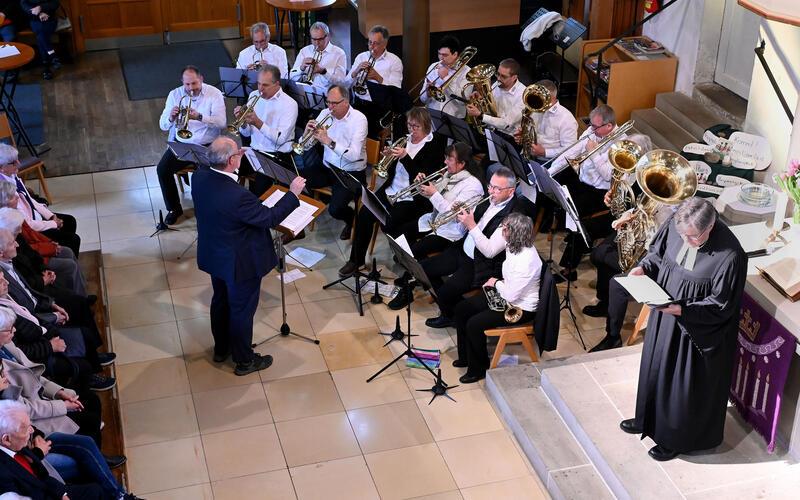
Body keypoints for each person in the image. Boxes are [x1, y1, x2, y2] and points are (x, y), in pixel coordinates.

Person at [618, 197, 747, 461]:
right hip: (665, 314)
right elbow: (658, 254)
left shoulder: (730, 255)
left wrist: (681, 310)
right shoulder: (677, 226)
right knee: (655, 366)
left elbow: (721, 305)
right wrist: (643, 268)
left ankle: (675, 437)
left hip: (697, 331)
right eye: (683, 235)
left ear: (710, 227)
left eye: (693, 237)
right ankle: (647, 419)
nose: (687, 241)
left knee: (680, 383)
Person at [192, 136, 306, 376]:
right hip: (240, 262)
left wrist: (233, 151)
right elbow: (269, 218)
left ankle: (222, 348)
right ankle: (244, 360)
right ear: (232, 161)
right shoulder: (237, 195)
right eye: (238, 153)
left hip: (215, 255)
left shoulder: (200, 177)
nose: (242, 154)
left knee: (220, 301)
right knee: (241, 310)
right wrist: (293, 195)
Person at [338, 107, 446, 277]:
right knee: (365, 213)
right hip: (391, 189)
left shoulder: (434, 145)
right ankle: (355, 261)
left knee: (388, 222)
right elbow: (391, 170)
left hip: (412, 198)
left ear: (426, 126)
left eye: (415, 127)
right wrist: (389, 156)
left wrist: (405, 157)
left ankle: (406, 256)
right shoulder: (405, 139)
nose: (411, 130)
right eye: (409, 125)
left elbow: (422, 178)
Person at [453, 213, 541, 383]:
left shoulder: (526, 261)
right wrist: (498, 283)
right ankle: (465, 357)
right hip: (507, 293)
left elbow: (510, 295)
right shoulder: (513, 245)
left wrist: (495, 283)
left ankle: (478, 369)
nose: (502, 230)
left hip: (521, 307)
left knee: (474, 324)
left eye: (505, 228)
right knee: (462, 309)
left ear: (514, 233)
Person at [0, 307, 104, 449]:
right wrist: (63, 406)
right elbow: (24, 408)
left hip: (41, 397)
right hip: (34, 419)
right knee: (89, 420)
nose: (14, 331)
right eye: (8, 329)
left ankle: (97, 452)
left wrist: (58, 392)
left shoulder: (7, 345)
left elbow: (32, 373)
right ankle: (95, 454)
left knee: (91, 400)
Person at [549, 104, 623, 279]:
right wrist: (550, 171)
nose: (591, 129)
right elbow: (571, 152)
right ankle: (566, 227)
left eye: (595, 126)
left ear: (609, 126)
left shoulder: (620, 144)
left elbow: (607, 175)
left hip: (601, 192)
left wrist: (593, 152)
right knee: (556, 189)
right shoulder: (593, 130)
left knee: (576, 216)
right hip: (583, 181)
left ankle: (569, 269)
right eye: (591, 124)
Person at [157, 65, 226, 225]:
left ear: (201, 79)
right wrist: (171, 118)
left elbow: (222, 123)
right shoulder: (175, 94)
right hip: (182, 144)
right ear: (182, 82)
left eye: (194, 84)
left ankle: (210, 208)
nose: (191, 88)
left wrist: (200, 117)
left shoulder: (214, 94)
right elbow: (162, 125)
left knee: (206, 177)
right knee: (162, 170)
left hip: (207, 146)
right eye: (187, 84)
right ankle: (174, 208)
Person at [299, 84, 368, 240]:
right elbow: (306, 146)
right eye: (328, 102)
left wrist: (328, 141)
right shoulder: (324, 113)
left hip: (350, 172)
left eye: (334, 103)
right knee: (296, 179)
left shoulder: (359, 119)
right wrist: (306, 134)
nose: (329, 107)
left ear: (346, 102)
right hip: (327, 167)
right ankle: (301, 220)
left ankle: (351, 219)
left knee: (335, 209)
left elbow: (354, 155)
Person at [0, 400, 104, 500]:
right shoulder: (3, 476)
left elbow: (42, 475)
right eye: (26, 429)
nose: (31, 431)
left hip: (51, 490)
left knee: (96, 490)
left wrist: (61, 493)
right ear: (6, 439)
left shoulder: (15, 443)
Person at [0, 144, 81, 256]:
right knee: (73, 239)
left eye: (17, 159)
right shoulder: (6, 191)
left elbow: (30, 200)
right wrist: (53, 224)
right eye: (13, 162)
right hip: (32, 229)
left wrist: (50, 215)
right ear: (1, 168)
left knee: (70, 221)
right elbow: (28, 224)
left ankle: (70, 258)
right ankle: (64, 261)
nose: (18, 163)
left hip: (35, 216)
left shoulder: (12, 175)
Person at [234, 64, 298, 196]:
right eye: (258, 84)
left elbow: (280, 140)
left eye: (265, 85)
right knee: (225, 171)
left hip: (276, 156)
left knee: (258, 192)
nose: (260, 89)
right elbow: (246, 133)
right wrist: (243, 122)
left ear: (277, 84)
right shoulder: (253, 96)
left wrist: (258, 123)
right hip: (254, 152)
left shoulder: (289, 104)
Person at [346, 24, 403, 136]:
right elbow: (346, 84)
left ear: (385, 44)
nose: (372, 47)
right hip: (359, 104)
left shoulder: (394, 61)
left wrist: (378, 78)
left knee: (372, 141)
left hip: (379, 108)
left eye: (376, 43)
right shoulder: (361, 57)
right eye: (370, 42)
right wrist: (356, 71)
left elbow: (396, 90)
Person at [517, 79, 578, 161]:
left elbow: (571, 150)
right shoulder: (535, 108)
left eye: (539, 97)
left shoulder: (566, 119)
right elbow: (531, 130)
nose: (535, 102)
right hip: (529, 154)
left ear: (551, 97)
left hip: (549, 161)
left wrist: (545, 152)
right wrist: (524, 135)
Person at [465, 58, 525, 137]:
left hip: (508, 136)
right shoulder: (497, 84)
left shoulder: (523, 95)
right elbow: (491, 107)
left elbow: (506, 124)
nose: (499, 78)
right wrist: (481, 99)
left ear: (514, 77)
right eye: (498, 74)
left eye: (503, 76)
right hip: (492, 130)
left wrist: (480, 115)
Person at [418, 35, 470, 119]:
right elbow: (423, 99)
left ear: (455, 54)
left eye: (445, 55)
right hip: (432, 117)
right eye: (439, 54)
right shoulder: (433, 66)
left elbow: (462, 102)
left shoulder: (466, 72)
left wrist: (445, 79)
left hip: (454, 119)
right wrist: (427, 93)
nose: (441, 58)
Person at [289, 22, 347, 92]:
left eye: (320, 39)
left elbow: (341, 83)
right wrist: (301, 68)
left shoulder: (339, 53)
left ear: (328, 36)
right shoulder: (304, 51)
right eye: (314, 39)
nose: (316, 43)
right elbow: (291, 75)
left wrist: (324, 72)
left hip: (328, 94)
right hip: (306, 93)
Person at [21, 0, 61, 80]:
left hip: (49, 18)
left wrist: (41, 8)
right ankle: (51, 58)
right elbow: (24, 4)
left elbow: (55, 3)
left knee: (41, 35)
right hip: (33, 19)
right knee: (41, 32)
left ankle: (47, 65)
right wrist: (39, 13)